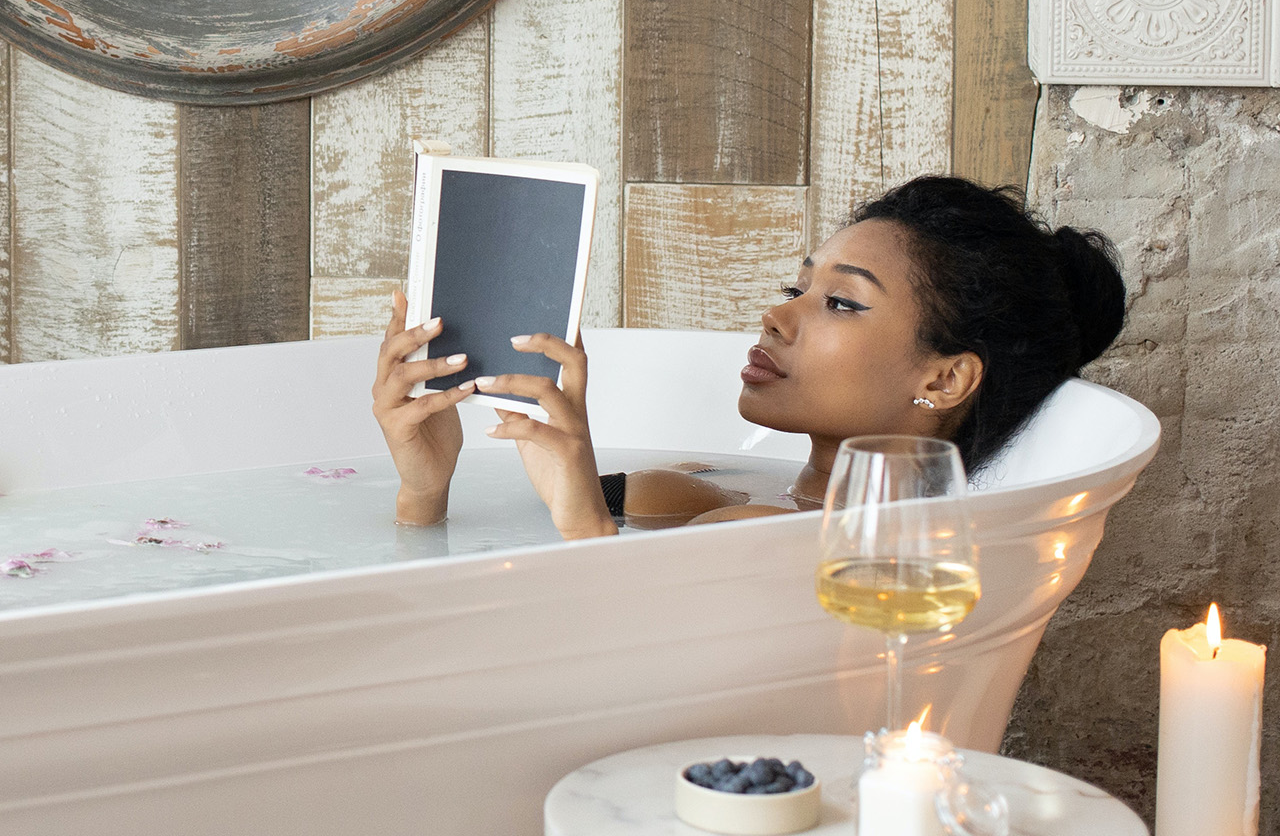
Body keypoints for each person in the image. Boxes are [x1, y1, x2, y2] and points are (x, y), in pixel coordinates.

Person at [369, 176, 1129, 539]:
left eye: (841, 302)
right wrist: (424, 489)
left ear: (944, 377)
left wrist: (583, 525)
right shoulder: (720, 500)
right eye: (795, 287)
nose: (776, 316)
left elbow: (631, 685)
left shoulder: (859, 560)